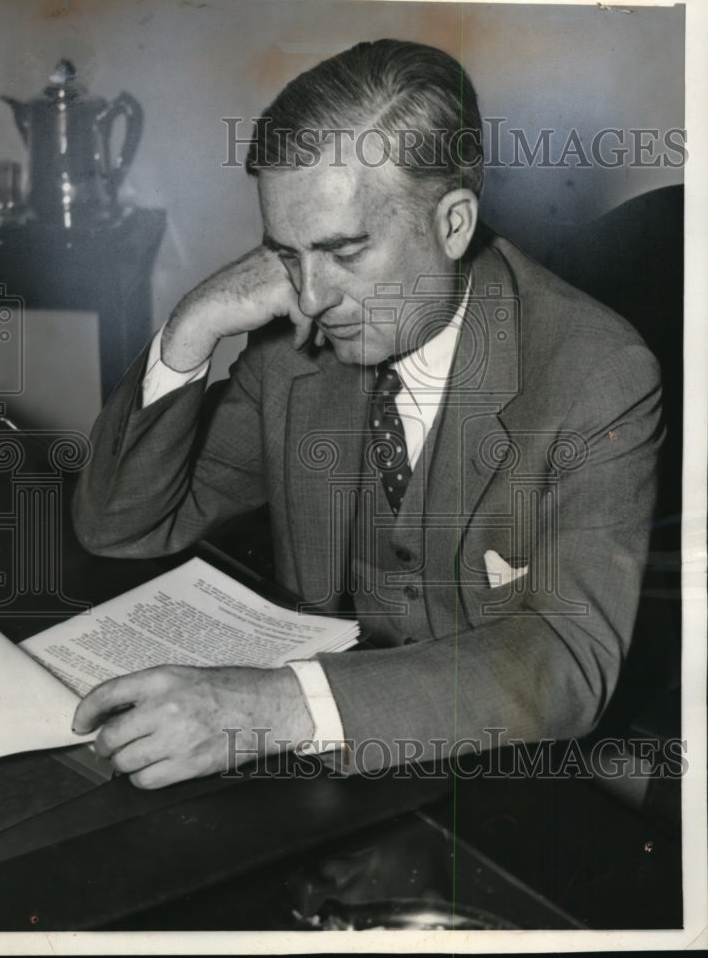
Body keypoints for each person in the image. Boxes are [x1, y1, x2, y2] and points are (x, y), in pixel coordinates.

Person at [71, 39, 663, 789]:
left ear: (451, 225)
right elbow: (121, 527)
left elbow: (565, 660)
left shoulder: (595, 374)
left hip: (498, 779)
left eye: (344, 252)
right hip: (316, 780)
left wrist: (280, 706)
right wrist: (193, 325)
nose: (310, 297)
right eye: (286, 253)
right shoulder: (296, 343)